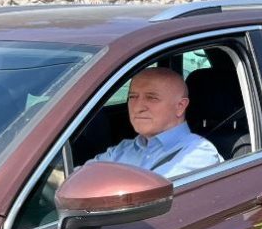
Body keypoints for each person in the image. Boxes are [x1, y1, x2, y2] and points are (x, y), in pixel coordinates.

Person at [91, 67, 222, 178]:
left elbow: (145, 202)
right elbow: (77, 179)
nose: (137, 107)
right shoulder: (123, 149)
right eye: (132, 97)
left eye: (152, 98)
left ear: (180, 106)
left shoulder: (197, 154)